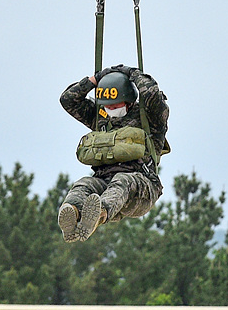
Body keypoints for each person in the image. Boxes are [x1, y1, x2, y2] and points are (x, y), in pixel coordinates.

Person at [57, 64, 170, 242]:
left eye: (116, 104)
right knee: (84, 184)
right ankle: (73, 217)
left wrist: (134, 74)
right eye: (108, 105)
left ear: (129, 100)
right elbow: (68, 100)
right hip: (105, 182)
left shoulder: (149, 118)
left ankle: (98, 214)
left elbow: (151, 94)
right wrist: (94, 80)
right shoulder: (101, 117)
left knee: (122, 181)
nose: (111, 110)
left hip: (141, 187)